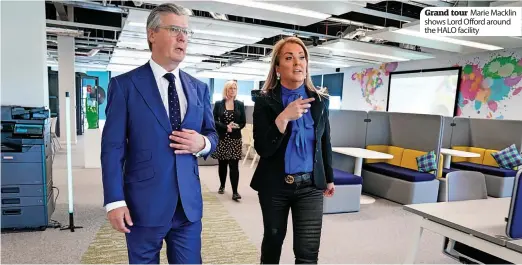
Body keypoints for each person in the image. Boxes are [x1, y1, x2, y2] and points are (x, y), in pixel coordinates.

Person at [101, 3, 218, 264]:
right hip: (143, 205)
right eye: (174, 29)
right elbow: (112, 149)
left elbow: (212, 134)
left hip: (188, 207)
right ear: (151, 34)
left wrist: (202, 143)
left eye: (186, 32)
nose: (182, 37)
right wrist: (114, 201)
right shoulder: (125, 86)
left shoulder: (198, 88)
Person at [250, 36, 335, 264]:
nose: (298, 63)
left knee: (308, 253)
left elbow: (324, 141)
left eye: (302, 57)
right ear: (277, 67)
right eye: (289, 58)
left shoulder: (320, 101)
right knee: (273, 243)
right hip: (275, 186)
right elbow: (263, 148)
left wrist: (329, 177)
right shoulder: (265, 101)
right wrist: (283, 117)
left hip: (310, 186)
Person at [211, 80, 246, 200]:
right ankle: (222, 185)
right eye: (230, 88)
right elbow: (214, 121)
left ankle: (235, 192)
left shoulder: (240, 104)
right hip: (222, 138)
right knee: (222, 164)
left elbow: (243, 122)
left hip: (235, 138)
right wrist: (226, 127)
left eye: (235, 88)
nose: (233, 91)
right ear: (226, 90)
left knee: (234, 165)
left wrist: (235, 126)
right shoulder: (219, 104)